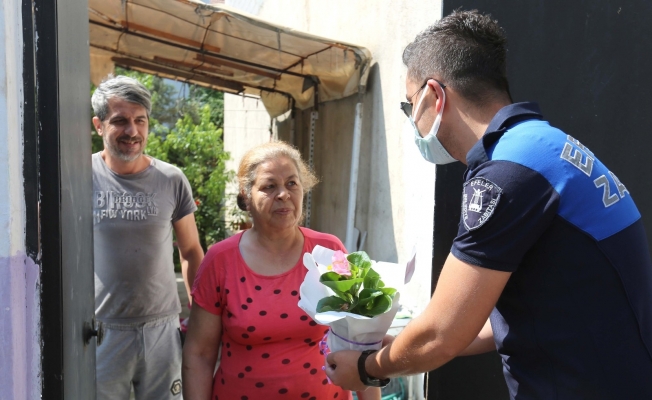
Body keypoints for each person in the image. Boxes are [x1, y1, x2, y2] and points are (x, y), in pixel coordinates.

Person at [325, 9, 652, 399]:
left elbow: (442, 333)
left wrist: (366, 368)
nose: (412, 119)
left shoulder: (506, 174)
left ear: (433, 95)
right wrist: (395, 350)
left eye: (408, 105)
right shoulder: (544, 147)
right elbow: (485, 321)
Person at [182, 141, 380, 400]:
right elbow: (199, 354)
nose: (283, 194)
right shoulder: (220, 261)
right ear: (246, 194)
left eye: (291, 183)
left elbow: (360, 338)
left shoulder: (330, 251)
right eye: (269, 186)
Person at [91, 75, 204, 399]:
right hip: (101, 330)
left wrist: (200, 314)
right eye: (121, 121)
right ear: (99, 125)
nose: (133, 131)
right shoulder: (79, 177)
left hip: (162, 329)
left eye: (140, 120)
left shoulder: (171, 179)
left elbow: (191, 251)